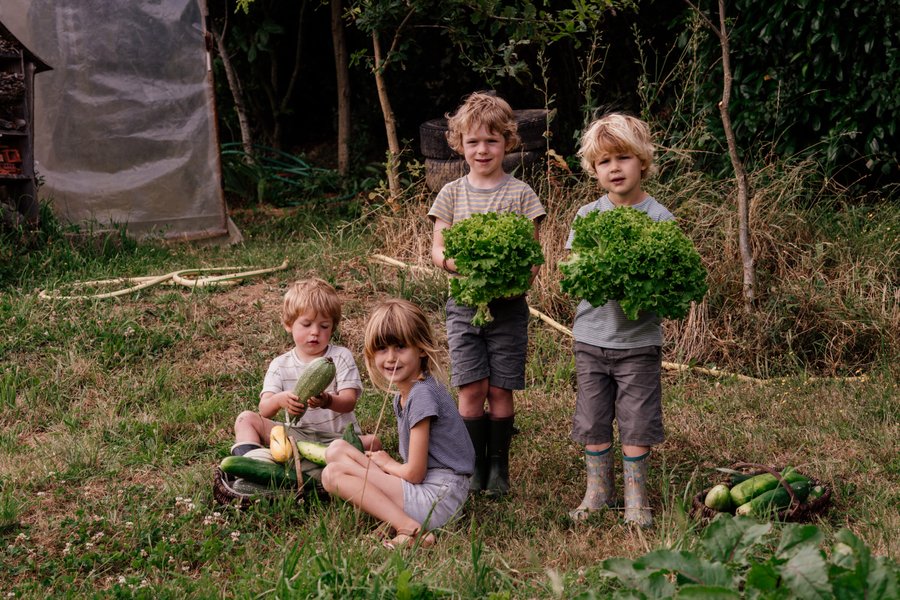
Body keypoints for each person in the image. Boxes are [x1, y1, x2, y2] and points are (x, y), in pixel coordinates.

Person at [428, 91, 546, 496]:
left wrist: (513, 278)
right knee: (471, 388)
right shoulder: (451, 194)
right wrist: (457, 265)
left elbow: (532, 256)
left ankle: (499, 468)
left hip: (509, 308)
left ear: (508, 143)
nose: (483, 150)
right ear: (459, 144)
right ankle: (471, 466)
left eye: (492, 141)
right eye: (473, 142)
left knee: (500, 389)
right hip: (464, 305)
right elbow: (437, 248)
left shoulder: (521, 194)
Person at [565, 112, 672, 527]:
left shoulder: (660, 218)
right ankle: (598, 491)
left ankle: (636, 497)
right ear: (594, 169)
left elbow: (672, 278)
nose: (615, 168)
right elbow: (573, 270)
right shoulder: (586, 216)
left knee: (636, 420)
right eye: (605, 161)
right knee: (592, 418)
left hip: (638, 342)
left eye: (623, 157)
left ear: (642, 161)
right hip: (591, 338)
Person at [321, 299, 475, 549]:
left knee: (333, 474)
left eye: (400, 347)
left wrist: (387, 464)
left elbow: (414, 473)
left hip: (440, 498)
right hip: (430, 488)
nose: (391, 358)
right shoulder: (405, 395)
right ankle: (398, 521)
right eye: (382, 349)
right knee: (336, 450)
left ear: (422, 349)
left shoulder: (422, 395)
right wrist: (383, 468)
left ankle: (411, 529)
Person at [231, 278, 379, 466]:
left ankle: (320, 463)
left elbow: (349, 402)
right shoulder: (280, 364)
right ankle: (250, 463)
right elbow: (264, 409)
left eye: (324, 326)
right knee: (246, 419)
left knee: (373, 443)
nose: (315, 332)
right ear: (288, 324)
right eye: (306, 324)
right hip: (295, 437)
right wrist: (280, 400)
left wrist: (328, 401)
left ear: (332, 327)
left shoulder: (340, 357)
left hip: (337, 439)